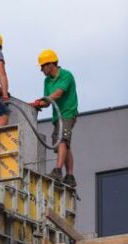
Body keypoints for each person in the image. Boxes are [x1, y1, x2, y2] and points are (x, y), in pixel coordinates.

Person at [30, 49, 79, 188]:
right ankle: (70, 176)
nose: (41, 69)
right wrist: (37, 104)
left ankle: (58, 171)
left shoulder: (66, 75)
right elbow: (47, 101)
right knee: (63, 145)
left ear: (50, 64)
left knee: (62, 140)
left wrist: (42, 100)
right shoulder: (47, 81)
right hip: (57, 116)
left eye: (42, 66)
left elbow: (58, 94)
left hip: (68, 113)